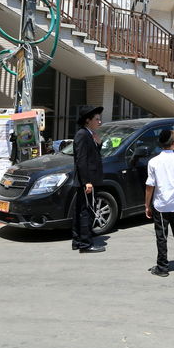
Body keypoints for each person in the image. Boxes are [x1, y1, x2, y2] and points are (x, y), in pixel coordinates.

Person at [145, 128, 174, 277]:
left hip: (160, 203)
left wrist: (147, 205)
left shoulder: (153, 162)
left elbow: (150, 186)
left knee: (161, 236)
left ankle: (162, 268)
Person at [71, 106, 105, 253]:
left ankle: (78, 241)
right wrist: (87, 182)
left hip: (88, 180)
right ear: (87, 120)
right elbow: (82, 160)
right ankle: (85, 244)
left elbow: (92, 156)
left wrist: (99, 144)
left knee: (82, 210)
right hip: (87, 181)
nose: (99, 121)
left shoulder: (90, 134)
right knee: (87, 211)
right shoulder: (82, 135)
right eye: (96, 119)